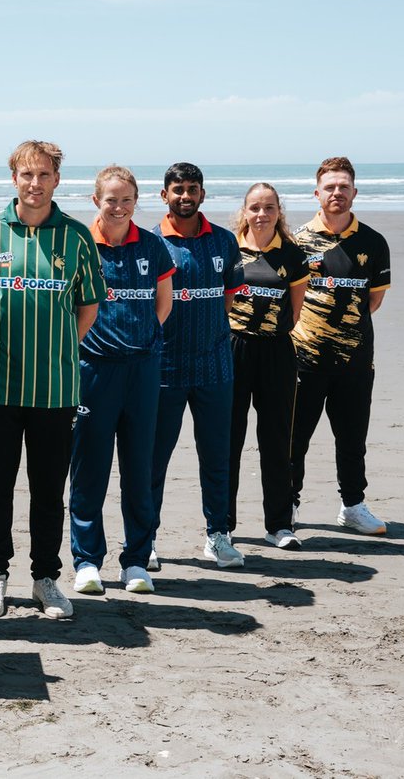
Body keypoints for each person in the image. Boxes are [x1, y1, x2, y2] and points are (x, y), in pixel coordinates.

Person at [0, 140, 105, 621]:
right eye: (26, 175)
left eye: (44, 175)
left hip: (55, 389)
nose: (35, 184)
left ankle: (46, 578)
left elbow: (87, 306)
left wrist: (55, 347)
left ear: (56, 180)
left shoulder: (75, 237)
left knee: (49, 491)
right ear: (14, 179)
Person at [68, 165, 173, 596]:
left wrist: (138, 343)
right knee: (89, 468)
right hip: (93, 370)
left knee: (139, 468)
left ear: (136, 201)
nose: (118, 206)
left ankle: (136, 561)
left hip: (143, 370)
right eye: (110, 199)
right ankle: (87, 562)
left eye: (126, 199)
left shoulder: (153, 247)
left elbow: (162, 306)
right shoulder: (80, 246)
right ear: (97, 201)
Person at [150, 163, 245, 570]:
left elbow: (229, 300)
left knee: (218, 455)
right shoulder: (151, 243)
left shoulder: (224, 242)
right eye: (177, 189)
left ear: (203, 194)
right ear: (164, 195)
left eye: (192, 189)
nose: (185, 196)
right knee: (152, 458)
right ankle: (145, 539)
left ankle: (218, 536)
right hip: (164, 369)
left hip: (215, 367)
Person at [290, 157, 391, 534]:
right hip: (303, 358)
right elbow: (288, 298)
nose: (337, 193)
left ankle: (353, 505)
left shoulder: (373, 242)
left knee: (352, 438)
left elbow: (373, 301)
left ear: (354, 192)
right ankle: (289, 504)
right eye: (330, 187)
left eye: (343, 187)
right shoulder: (298, 241)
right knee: (294, 439)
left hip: (355, 359)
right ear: (317, 193)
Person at [228, 183, 308, 550]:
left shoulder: (292, 255)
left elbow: (294, 311)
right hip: (233, 349)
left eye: (270, 208)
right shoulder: (229, 248)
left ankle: (278, 524)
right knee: (228, 439)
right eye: (255, 208)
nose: (262, 214)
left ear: (279, 212)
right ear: (245, 211)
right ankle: (222, 524)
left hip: (277, 351)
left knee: (276, 440)